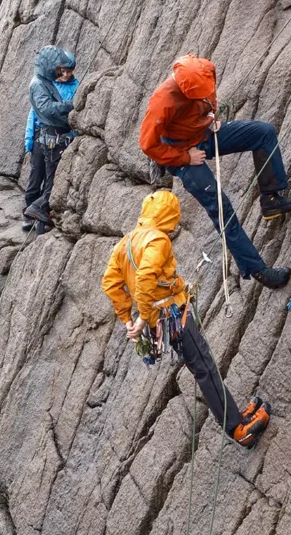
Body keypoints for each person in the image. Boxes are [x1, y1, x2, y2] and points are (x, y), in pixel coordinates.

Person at [102, 189, 273, 448]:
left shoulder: (124, 244)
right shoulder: (158, 240)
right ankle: (238, 429)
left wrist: (129, 318)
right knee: (204, 368)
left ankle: (236, 417)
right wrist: (143, 317)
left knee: (202, 367)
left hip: (162, 319)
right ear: (168, 216)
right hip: (172, 316)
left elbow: (111, 283)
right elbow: (146, 275)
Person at [139, 54, 291, 289]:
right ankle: (258, 270)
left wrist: (210, 117)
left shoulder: (206, 70)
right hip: (181, 152)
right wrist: (186, 157)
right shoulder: (162, 101)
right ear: (184, 89)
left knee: (263, 132)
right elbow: (147, 145)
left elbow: (209, 95)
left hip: (204, 133)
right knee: (221, 208)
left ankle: (271, 200)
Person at [22, 50, 78, 232]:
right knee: (39, 176)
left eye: (69, 71)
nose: (65, 74)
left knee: (50, 179)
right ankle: (33, 210)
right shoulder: (43, 84)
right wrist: (29, 138)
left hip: (57, 135)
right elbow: (40, 111)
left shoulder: (68, 85)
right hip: (47, 135)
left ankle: (39, 219)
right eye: (62, 70)